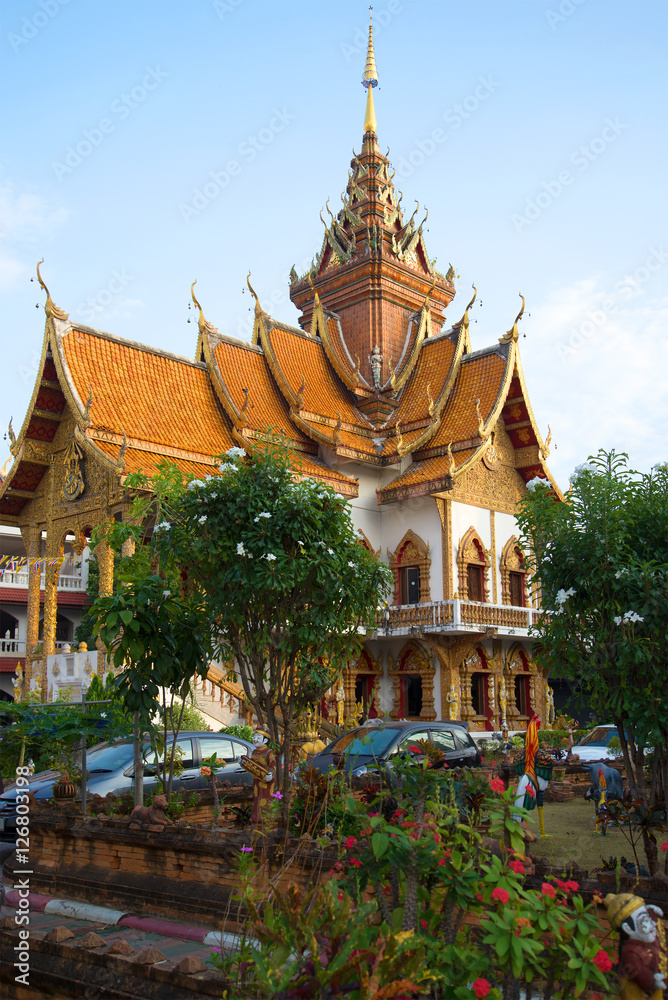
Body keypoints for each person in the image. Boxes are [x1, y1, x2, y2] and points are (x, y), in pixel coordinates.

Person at [605, 892, 666, 1000]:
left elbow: (649, 921)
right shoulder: (630, 953)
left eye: (648, 918)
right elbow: (639, 972)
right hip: (637, 992)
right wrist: (653, 981)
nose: (652, 924)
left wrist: (650, 911)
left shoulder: (645, 939)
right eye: (645, 920)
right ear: (628, 928)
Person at [239, 727, 277, 829]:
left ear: (265, 740)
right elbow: (251, 764)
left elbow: (273, 765)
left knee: (265, 799)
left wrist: (271, 773)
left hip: (266, 780)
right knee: (257, 799)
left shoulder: (269, 752)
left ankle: (266, 820)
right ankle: (256, 819)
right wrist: (243, 762)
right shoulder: (254, 752)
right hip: (256, 780)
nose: (255, 740)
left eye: (258, 738)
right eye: (254, 737)